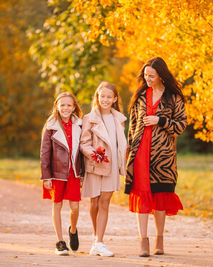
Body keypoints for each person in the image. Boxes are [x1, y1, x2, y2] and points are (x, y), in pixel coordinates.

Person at [125, 57, 187, 257]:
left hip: (163, 158)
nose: (148, 79)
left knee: (160, 197)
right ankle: (143, 240)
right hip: (140, 152)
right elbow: (133, 125)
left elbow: (180, 126)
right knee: (142, 196)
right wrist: (129, 148)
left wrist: (160, 120)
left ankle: (159, 239)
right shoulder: (140, 96)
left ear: (161, 75)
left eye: (151, 75)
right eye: (145, 76)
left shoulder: (174, 98)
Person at [80, 81, 127, 257]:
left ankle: (99, 241)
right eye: (102, 96)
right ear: (97, 97)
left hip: (112, 165)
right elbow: (84, 143)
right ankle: (96, 238)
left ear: (115, 98)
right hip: (95, 165)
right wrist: (93, 153)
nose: (105, 99)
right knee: (94, 202)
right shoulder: (89, 118)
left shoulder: (119, 119)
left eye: (109, 97)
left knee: (105, 202)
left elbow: (120, 145)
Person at [40, 92, 84, 256]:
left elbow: (82, 151)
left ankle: (72, 230)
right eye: (62, 105)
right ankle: (60, 242)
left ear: (74, 107)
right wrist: (46, 176)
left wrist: (82, 173)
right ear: (57, 106)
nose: (65, 108)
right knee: (57, 205)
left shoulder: (80, 124)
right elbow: (44, 152)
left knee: (75, 207)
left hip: (74, 172)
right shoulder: (51, 126)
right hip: (56, 173)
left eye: (69, 105)